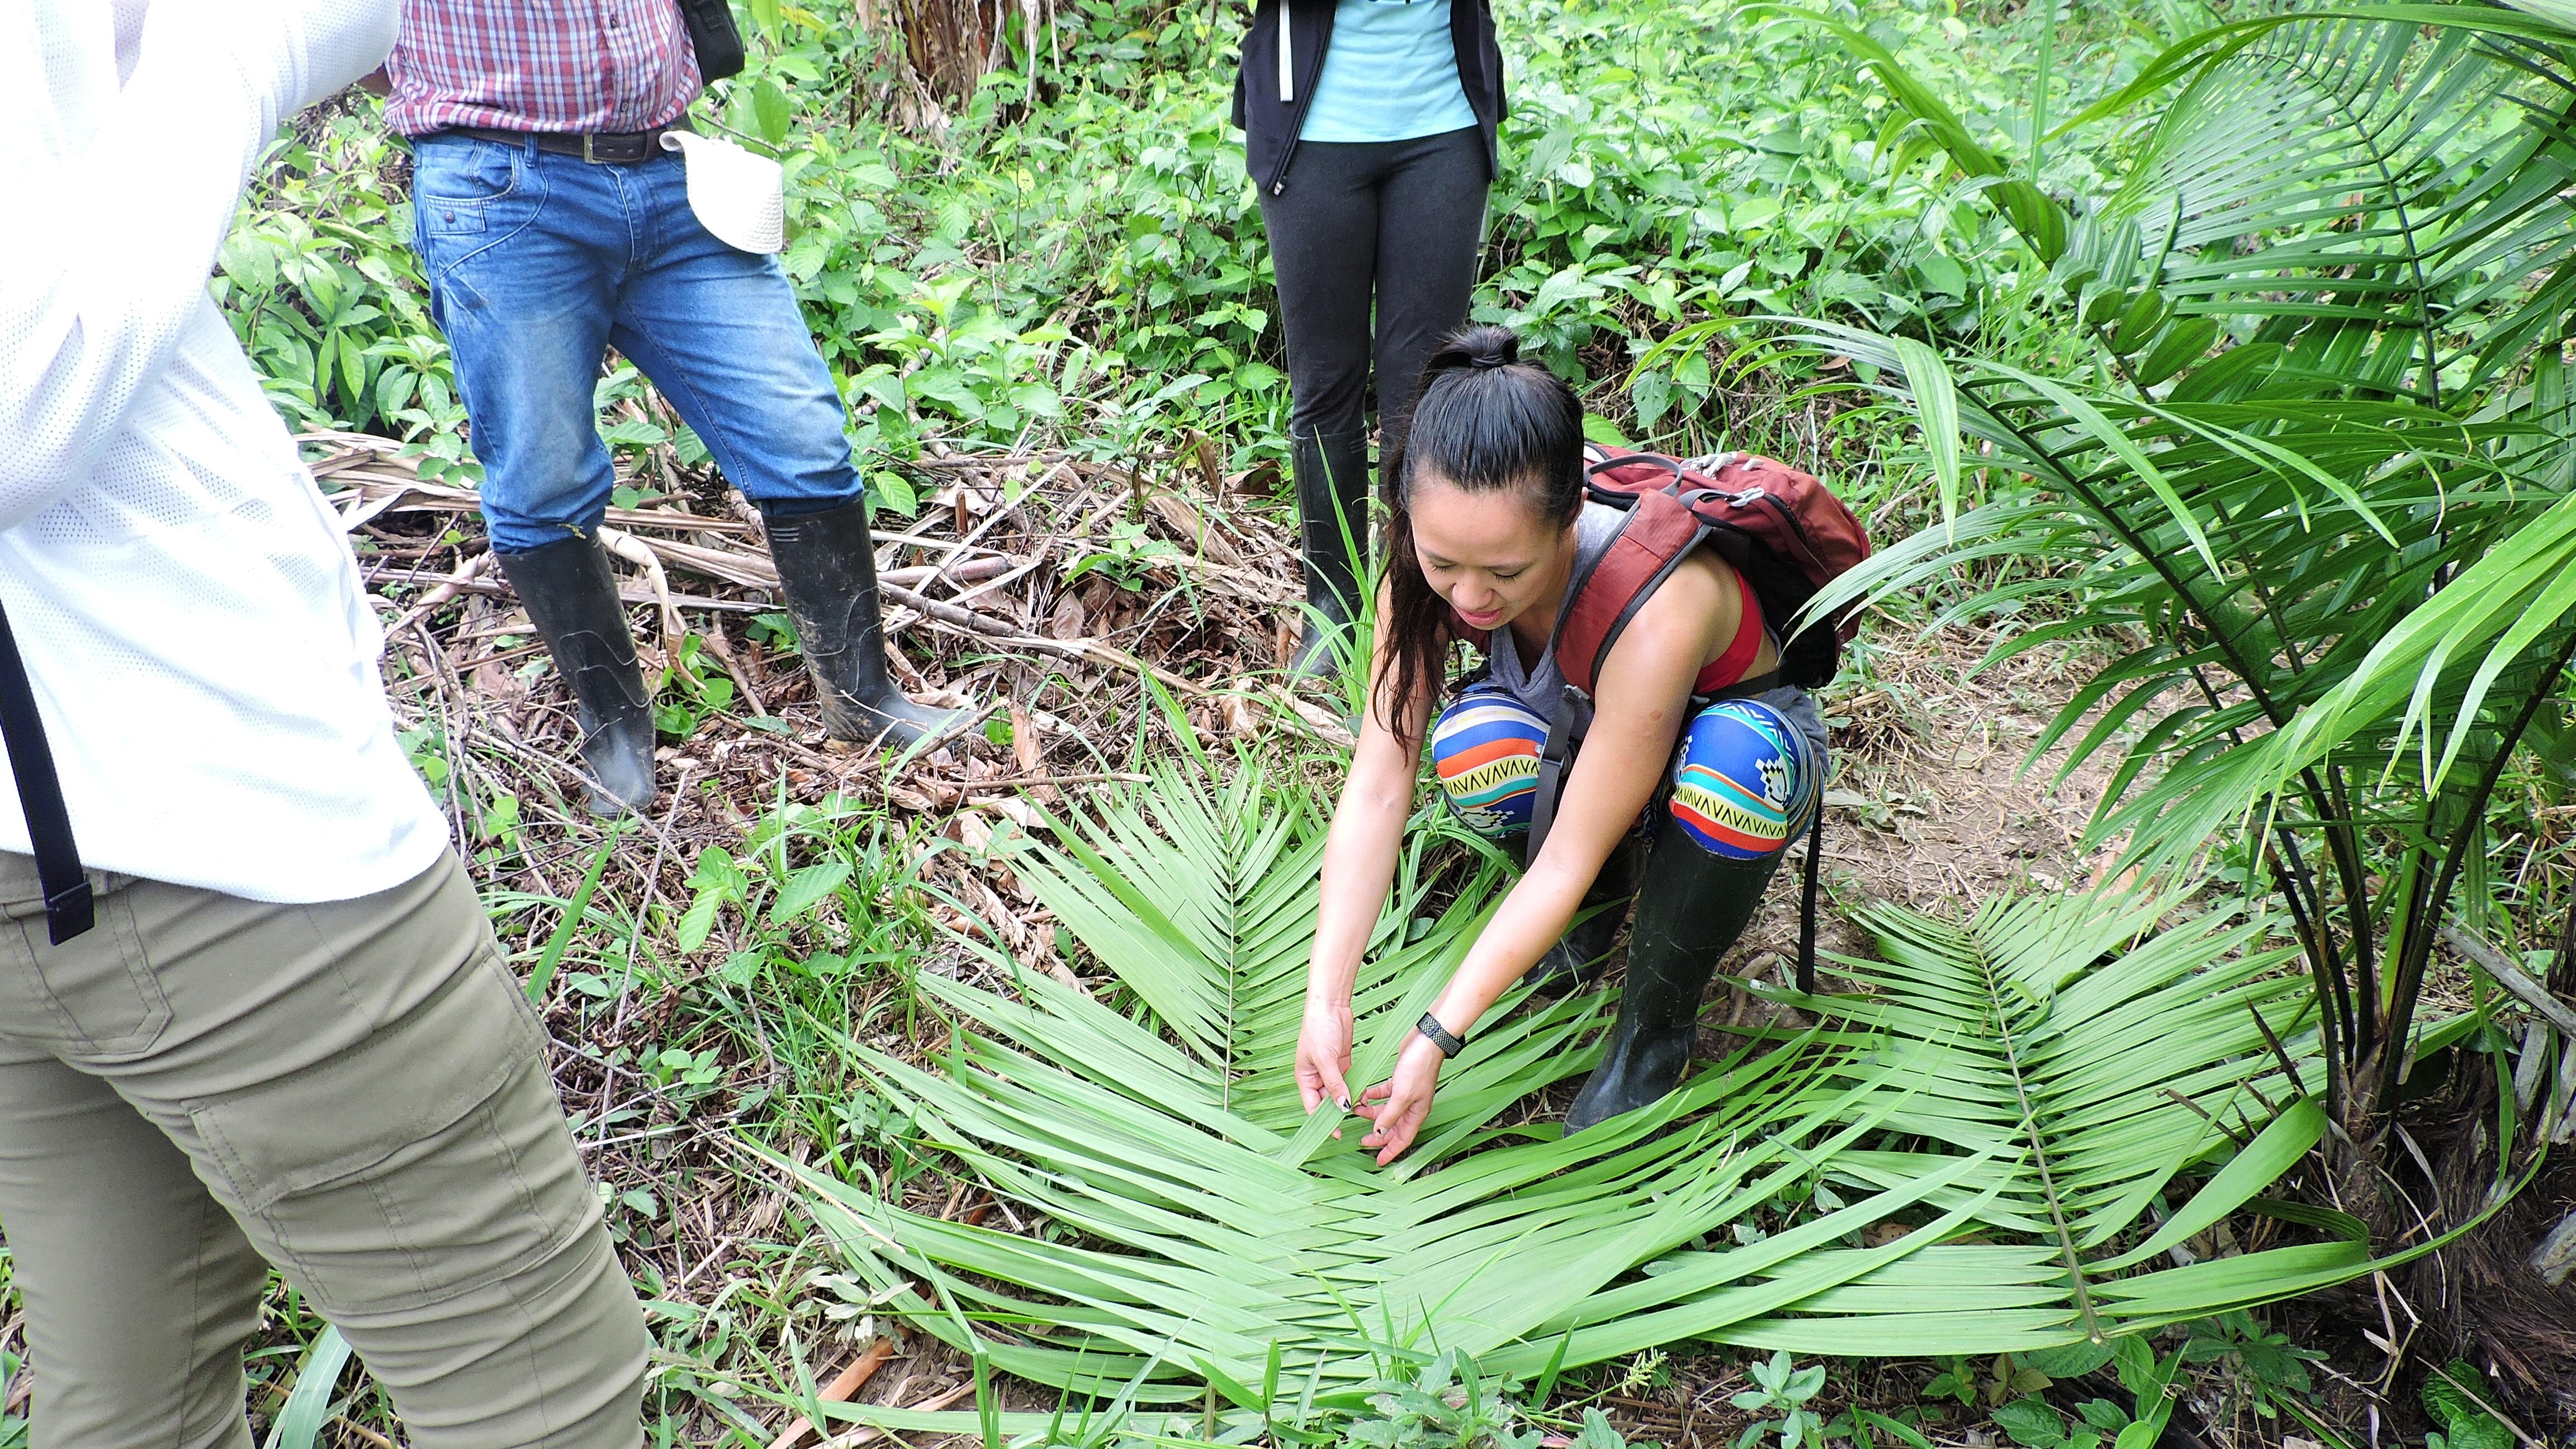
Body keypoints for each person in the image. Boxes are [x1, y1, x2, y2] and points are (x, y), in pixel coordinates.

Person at [0, 1, 649, 1444]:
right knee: (550, 1403)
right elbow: (21, 390)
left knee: (130, 1400)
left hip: (54, 847)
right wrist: (242, 51)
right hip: (205, 825)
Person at [381, 0, 967, 816]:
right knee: (543, 478)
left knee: (801, 437)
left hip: (667, 168)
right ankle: (615, 726)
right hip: (502, 187)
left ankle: (864, 703)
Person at [1294, 327, 1829, 1164]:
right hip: (1600, 737)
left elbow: (1565, 852)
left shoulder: (1661, 602)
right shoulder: (1418, 562)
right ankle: (1597, 919)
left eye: (1505, 573)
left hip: (1734, 747)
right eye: (1445, 565)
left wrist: (1435, 1037)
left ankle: (1653, 1034)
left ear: (1570, 516)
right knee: (1473, 744)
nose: (1470, 596)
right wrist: (1326, 998)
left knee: (1731, 768)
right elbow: (1378, 780)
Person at [1234, 0, 1507, 675]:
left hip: (1442, 123)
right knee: (1326, 386)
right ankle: (1331, 613)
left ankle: (1414, 605)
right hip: (1313, 128)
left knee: (1423, 390)